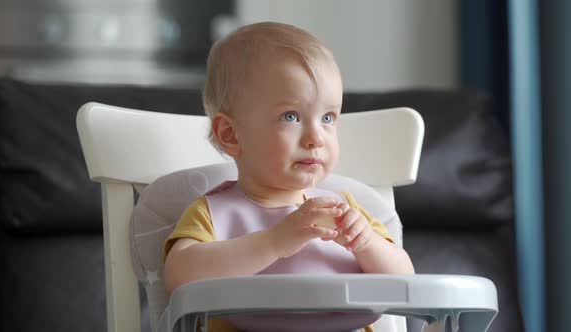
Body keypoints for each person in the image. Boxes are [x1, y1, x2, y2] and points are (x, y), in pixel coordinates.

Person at [163, 21, 415, 332]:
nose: (316, 137)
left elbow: (405, 283)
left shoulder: (345, 210)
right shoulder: (213, 213)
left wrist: (366, 244)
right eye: (291, 116)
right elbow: (179, 278)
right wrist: (275, 241)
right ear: (230, 134)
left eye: (327, 118)